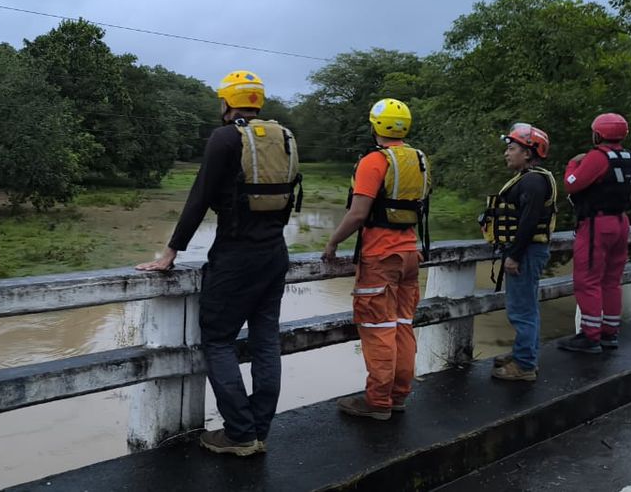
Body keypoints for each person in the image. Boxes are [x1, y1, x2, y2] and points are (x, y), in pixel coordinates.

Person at [136, 70, 301, 456]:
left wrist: (170, 252)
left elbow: (199, 197)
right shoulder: (286, 138)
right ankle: (259, 430)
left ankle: (240, 434)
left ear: (227, 103)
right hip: (275, 254)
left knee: (218, 339)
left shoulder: (225, 137)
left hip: (235, 257)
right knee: (265, 342)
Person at [321, 98, 430, 421]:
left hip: (381, 257)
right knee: (402, 326)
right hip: (410, 253)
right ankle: (398, 395)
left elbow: (358, 214)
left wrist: (332, 242)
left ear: (375, 126)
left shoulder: (374, 161)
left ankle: (378, 402)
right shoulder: (419, 160)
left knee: (378, 328)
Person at [480, 123, 557, 381]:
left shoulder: (533, 182)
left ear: (528, 153)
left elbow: (529, 220)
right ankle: (525, 355)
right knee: (526, 307)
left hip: (525, 253)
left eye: (512, 148)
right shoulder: (531, 178)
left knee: (521, 310)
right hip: (528, 251)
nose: (506, 153)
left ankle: (524, 366)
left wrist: (513, 254)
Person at [558, 113, 631, 354]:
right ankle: (609, 332)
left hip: (597, 224)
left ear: (598, 134)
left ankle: (590, 336)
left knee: (587, 279)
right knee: (611, 280)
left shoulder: (597, 157)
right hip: (620, 221)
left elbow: (572, 183)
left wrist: (573, 163)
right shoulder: (629, 157)